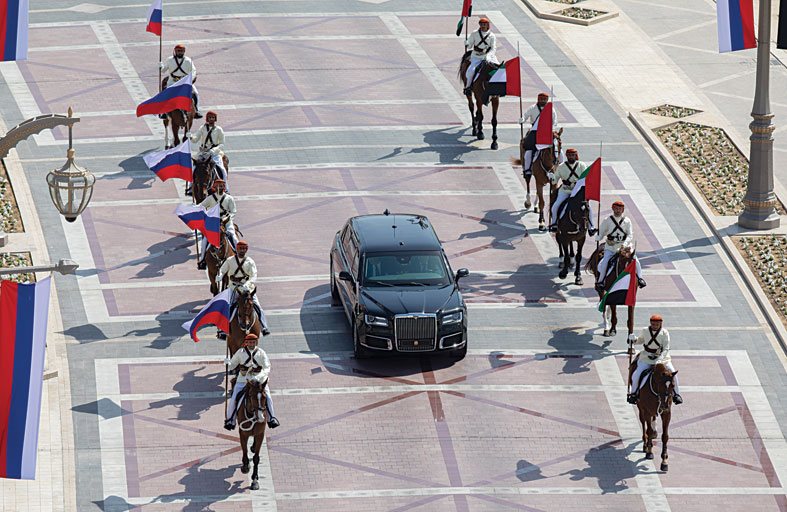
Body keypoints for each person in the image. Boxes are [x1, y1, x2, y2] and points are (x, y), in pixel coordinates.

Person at [224, 333, 280, 430]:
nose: (251, 344)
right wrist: (227, 363)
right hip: (243, 380)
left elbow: (267, 367)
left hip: (259, 380)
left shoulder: (261, 353)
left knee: (268, 397)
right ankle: (230, 420)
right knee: (233, 399)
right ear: (246, 342)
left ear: (256, 342)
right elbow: (232, 365)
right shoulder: (240, 352)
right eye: (249, 342)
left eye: (253, 342)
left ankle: (271, 419)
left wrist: (260, 377)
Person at [215, 240, 271, 336]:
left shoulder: (250, 262)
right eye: (240, 248)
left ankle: (264, 327)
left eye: (244, 249)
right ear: (237, 249)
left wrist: (247, 284)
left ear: (246, 250)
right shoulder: (230, 260)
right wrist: (219, 275)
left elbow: (253, 275)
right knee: (226, 307)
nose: (242, 250)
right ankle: (222, 329)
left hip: (247, 290)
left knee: (258, 307)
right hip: (234, 288)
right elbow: (222, 270)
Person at [627, 315, 682, 405]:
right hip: (647, 358)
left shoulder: (664, 333)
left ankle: (676, 394)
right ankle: (633, 394)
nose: (655, 326)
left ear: (660, 324)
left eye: (657, 325)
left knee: (672, 373)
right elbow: (640, 340)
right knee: (636, 375)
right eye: (653, 324)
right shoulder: (645, 330)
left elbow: (666, 349)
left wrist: (660, 359)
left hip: (663, 359)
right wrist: (634, 339)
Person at [594, 201, 645, 291]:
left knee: (635, 261)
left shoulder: (627, 221)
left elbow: (630, 235)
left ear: (623, 210)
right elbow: (601, 231)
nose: (618, 211)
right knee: (605, 262)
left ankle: (640, 278)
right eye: (616, 209)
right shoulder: (607, 220)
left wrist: (624, 244)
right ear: (613, 209)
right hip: (611, 247)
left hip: (625, 247)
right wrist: (598, 237)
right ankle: (601, 281)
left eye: (620, 209)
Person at [548, 148, 596, 233]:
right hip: (565, 190)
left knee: (588, 207)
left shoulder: (582, 165)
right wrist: (552, 178)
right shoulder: (561, 166)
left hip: (578, 191)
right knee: (556, 205)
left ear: (576, 156)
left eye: (573, 155)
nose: (571, 157)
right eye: (569, 155)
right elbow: (555, 180)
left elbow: (587, 178)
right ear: (566, 156)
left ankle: (591, 226)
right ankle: (554, 223)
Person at [197, 179, 237, 270]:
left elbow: (233, 211)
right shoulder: (210, 198)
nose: (220, 187)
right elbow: (201, 206)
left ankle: (237, 255)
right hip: (213, 222)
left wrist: (228, 218)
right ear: (215, 187)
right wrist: (194, 210)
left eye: (221, 186)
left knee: (233, 237)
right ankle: (202, 259)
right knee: (205, 240)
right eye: (218, 186)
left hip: (226, 221)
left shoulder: (229, 198)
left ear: (224, 187)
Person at [518, 92, 559, 176]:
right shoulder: (532, 108)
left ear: (547, 100)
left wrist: (553, 130)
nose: (542, 101)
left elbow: (554, 121)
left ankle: (559, 165)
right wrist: (523, 119)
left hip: (548, 131)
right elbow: (526, 115)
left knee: (557, 148)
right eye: (540, 99)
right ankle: (527, 169)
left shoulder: (551, 109)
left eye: (544, 99)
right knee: (528, 150)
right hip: (535, 131)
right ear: (538, 99)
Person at [158, 44, 202, 118]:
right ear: (175, 51)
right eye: (178, 51)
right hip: (172, 81)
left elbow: (193, 71)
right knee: (166, 94)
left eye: (181, 51)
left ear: (184, 51)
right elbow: (163, 70)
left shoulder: (188, 61)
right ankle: (164, 112)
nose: (180, 52)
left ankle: (196, 111)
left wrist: (191, 78)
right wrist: (161, 66)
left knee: (195, 93)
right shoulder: (169, 60)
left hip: (185, 81)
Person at [189, 110, 227, 183]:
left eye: (213, 117)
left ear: (215, 119)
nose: (211, 119)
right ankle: (191, 186)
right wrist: (190, 137)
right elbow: (195, 140)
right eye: (210, 117)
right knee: (194, 169)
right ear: (207, 118)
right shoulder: (202, 128)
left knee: (222, 170)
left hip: (214, 154)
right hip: (203, 153)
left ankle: (225, 187)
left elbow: (222, 144)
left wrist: (214, 150)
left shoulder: (219, 129)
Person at [463, 17, 498, 95]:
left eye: (485, 24)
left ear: (487, 25)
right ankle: (468, 87)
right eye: (481, 24)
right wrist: (467, 43)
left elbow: (493, 48)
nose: (483, 26)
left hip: (488, 56)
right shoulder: (474, 33)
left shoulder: (492, 36)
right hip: (477, 56)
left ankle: (499, 87)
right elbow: (470, 45)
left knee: (498, 69)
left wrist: (488, 56)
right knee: (471, 71)